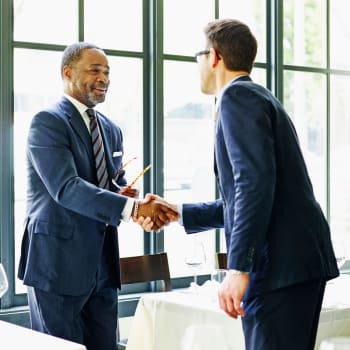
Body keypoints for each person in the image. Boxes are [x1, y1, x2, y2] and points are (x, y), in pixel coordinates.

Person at [138, 19, 339, 350]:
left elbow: (253, 187)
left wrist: (238, 268)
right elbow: (253, 192)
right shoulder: (255, 97)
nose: (197, 65)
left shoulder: (236, 98)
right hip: (294, 262)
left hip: (278, 267)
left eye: (198, 56)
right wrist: (179, 211)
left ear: (214, 56)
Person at [17, 42, 177, 350]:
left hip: (103, 266)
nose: (104, 78)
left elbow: (111, 182)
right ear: (68, 72)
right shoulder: (47, 122)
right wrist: (131, 207)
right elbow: (66, 188)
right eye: (95, 70)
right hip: (56, 266)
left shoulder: (111, 129)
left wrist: (123, 193)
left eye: (107, 72)